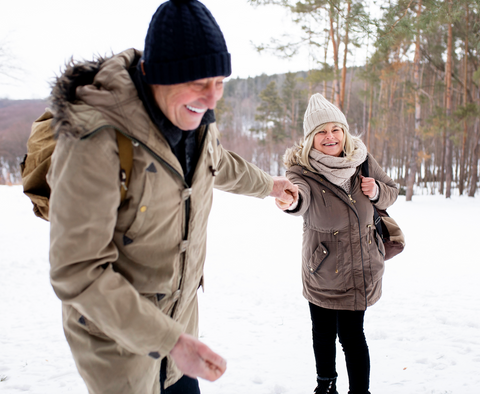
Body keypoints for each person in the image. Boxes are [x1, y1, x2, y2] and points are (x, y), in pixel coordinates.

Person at [46, 1, 298, 393]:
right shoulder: (94, 140)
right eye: (199, 83)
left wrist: (268, 185)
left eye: (220, 82)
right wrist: (170, 341)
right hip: (119, 347)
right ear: (157, 77)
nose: (213, 98)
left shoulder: (194, 120)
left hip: (180, 331)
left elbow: (215, 163)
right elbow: (77, 271)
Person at [275, 93, 398, 394]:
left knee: (353, 337)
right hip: (322, 270)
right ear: (310, 139)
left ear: (344, 132)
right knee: (322, 333)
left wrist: (377, 190)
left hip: (361, 267)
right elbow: (298, 196)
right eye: (321, 132)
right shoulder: (301, 171)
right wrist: (289, 200)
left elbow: (393, 192)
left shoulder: (363, 161)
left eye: (335, 129)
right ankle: (325, 386)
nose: (330, 137)